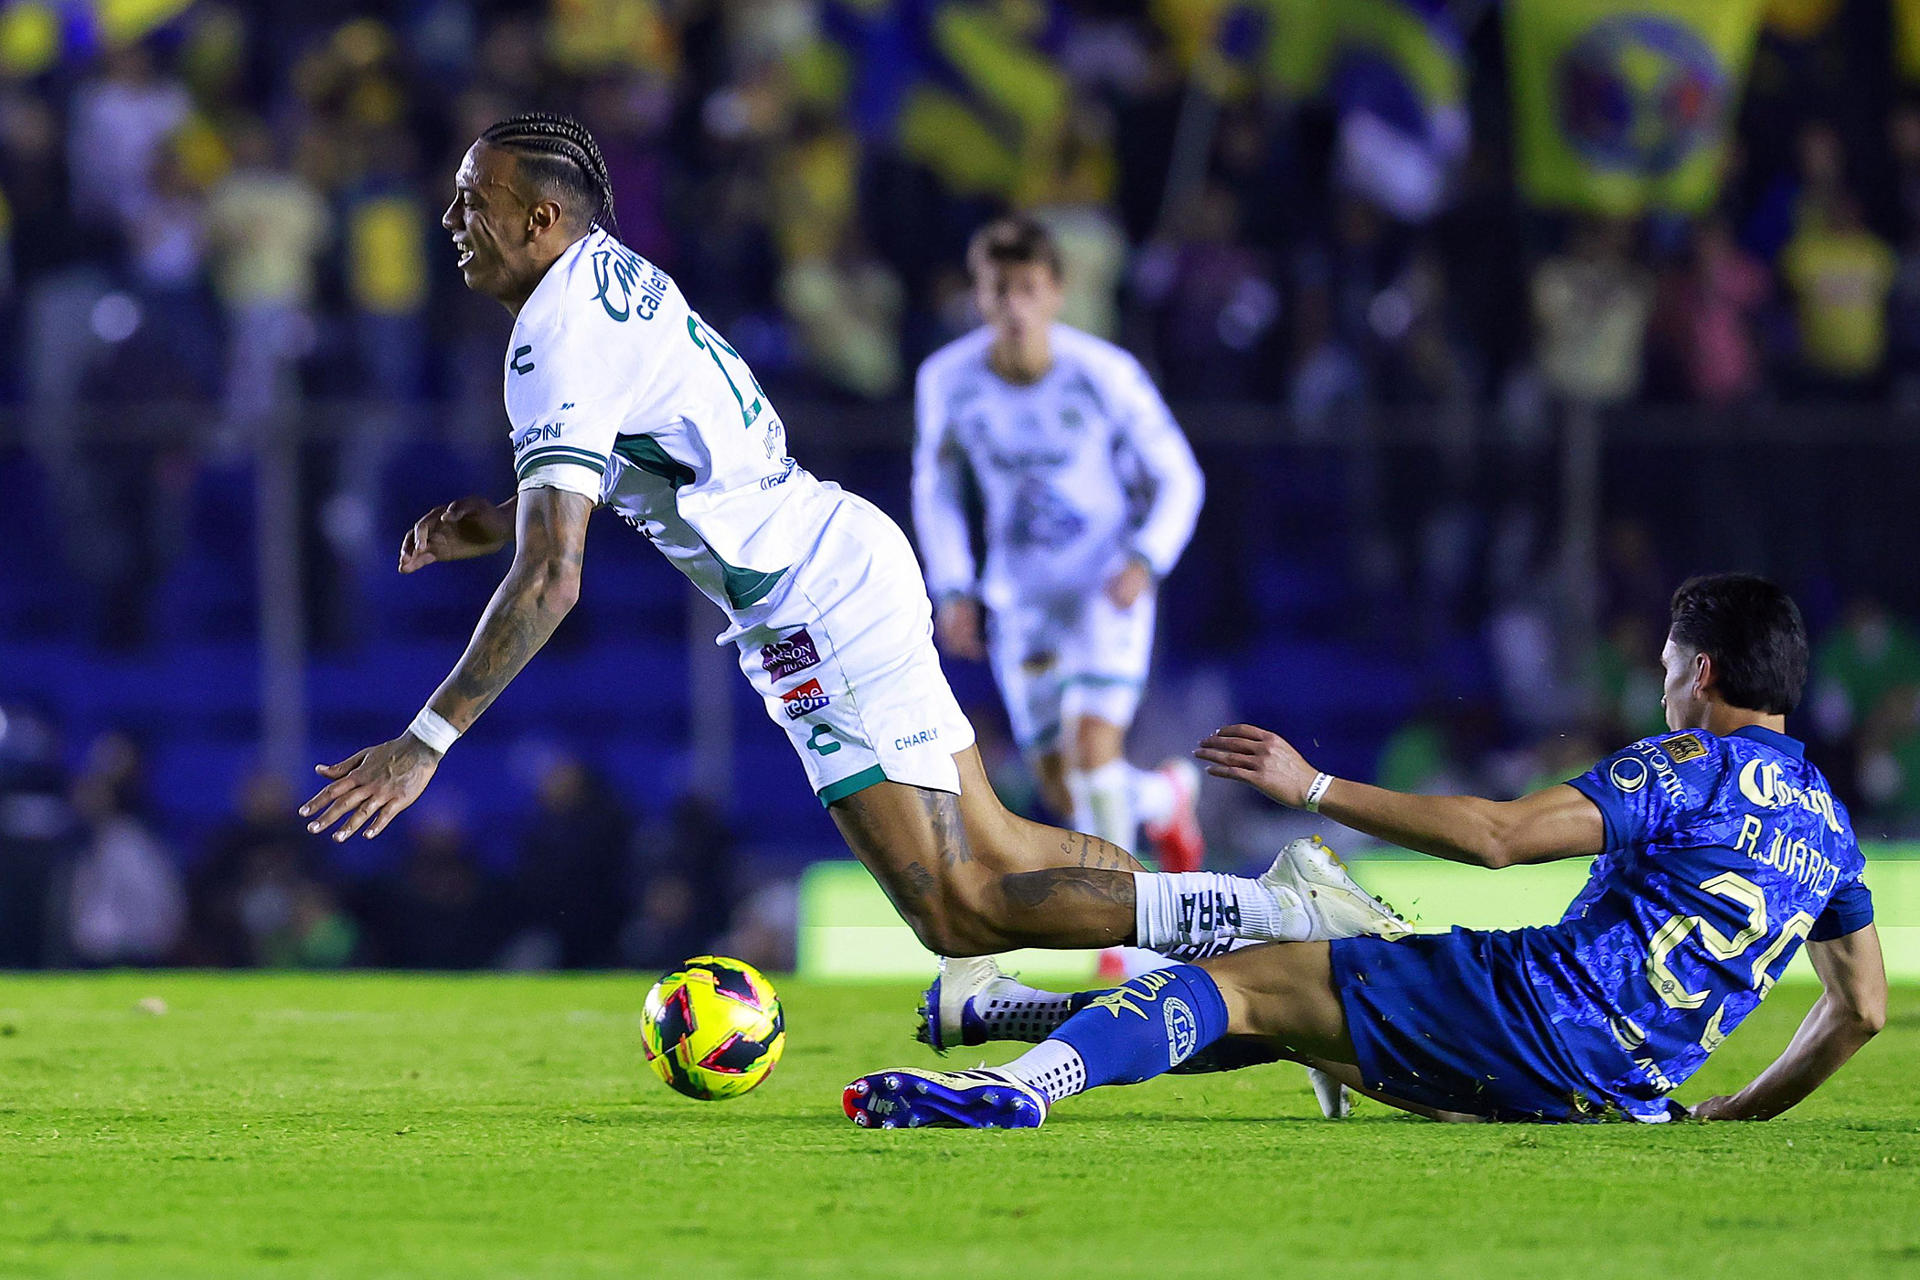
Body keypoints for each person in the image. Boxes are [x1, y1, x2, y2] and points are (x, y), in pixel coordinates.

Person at [296, 114, 1405, 981]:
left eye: (469, 200)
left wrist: (427, 737)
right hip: (839, 555)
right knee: (1010, 848)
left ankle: (1278, 911)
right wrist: (496, 514)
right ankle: (1274, 942)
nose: (448, 218)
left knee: (955, 910)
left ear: (542, 218)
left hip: (811, 605)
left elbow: (555, 576)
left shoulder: (552, 334)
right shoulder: (606, 276)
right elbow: (632, 449)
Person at [845, 575, 1887, 1128]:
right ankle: (1001, 1014)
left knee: (1248, 977)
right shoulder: (1829, 826)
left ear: (1701, 671)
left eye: (1669, 668)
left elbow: (1499, 837)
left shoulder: (1689, 761)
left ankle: (1019, 1090)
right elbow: (1860, 1010)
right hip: (1617, 1090)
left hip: (1531, 1015)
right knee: (1290, 1014)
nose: (1664, 687)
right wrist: (1727, 1112)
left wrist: (1316, 787)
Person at [913, 215, 1207, 925]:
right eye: (998, 290)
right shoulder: (948, 380)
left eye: (1028, 289)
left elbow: (1179, 475)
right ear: (978, 297)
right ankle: (1166, 798)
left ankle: (1126, 926)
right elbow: (940, 490)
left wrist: (1146, 557)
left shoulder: (1103, 373)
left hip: (1105, 587)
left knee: (1093, 743)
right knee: (1064, 786)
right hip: (1022, 599)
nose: (1014, 307)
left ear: (1056, 294)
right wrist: (952, 585)